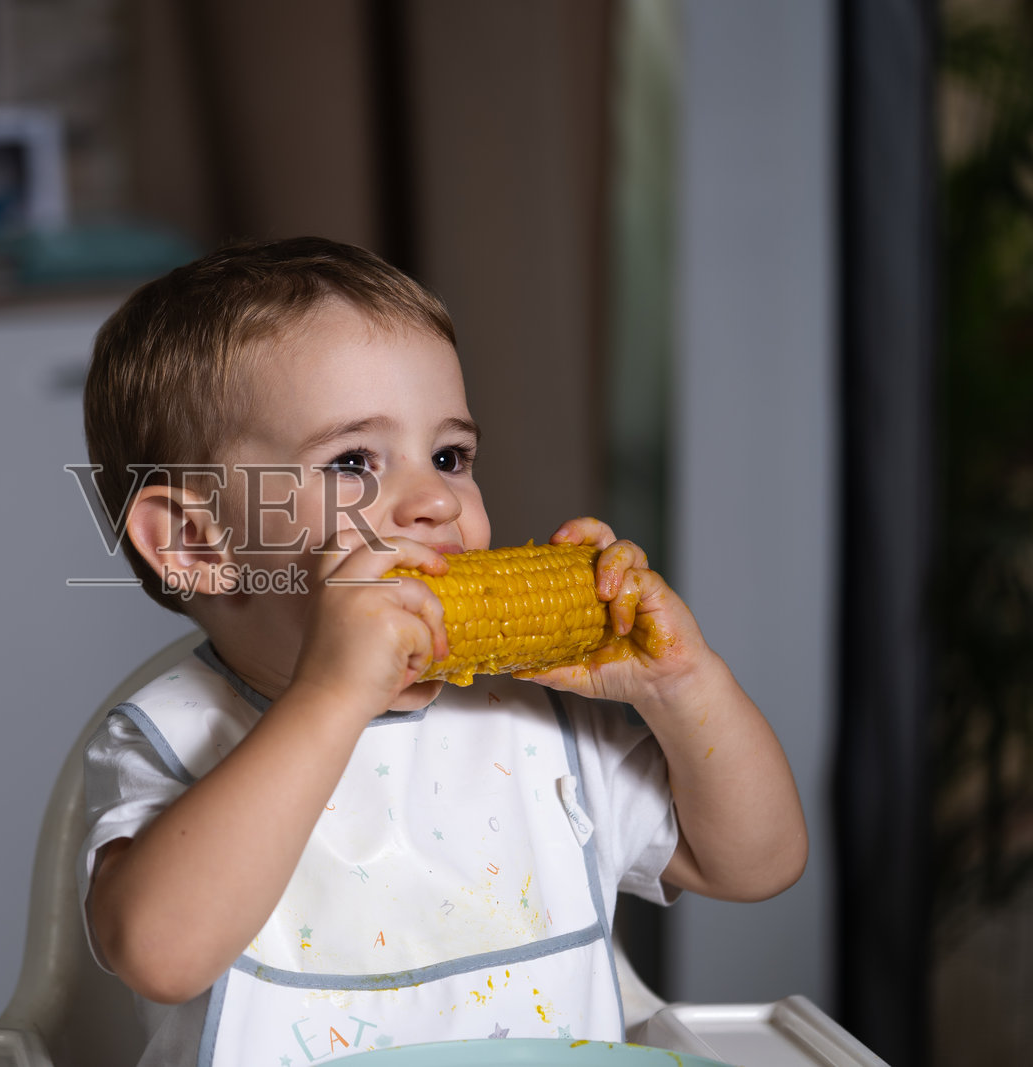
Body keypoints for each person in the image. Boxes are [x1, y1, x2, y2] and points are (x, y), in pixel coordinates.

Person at [77, 236, 807, 1065]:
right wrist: (331, 696)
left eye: (450, 456)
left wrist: (682, 683)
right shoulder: (164, 736)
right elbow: (159, 952)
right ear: (196, 543)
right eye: (353, 462)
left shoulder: (540, 728)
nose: (432, 500)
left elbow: (759, 861)